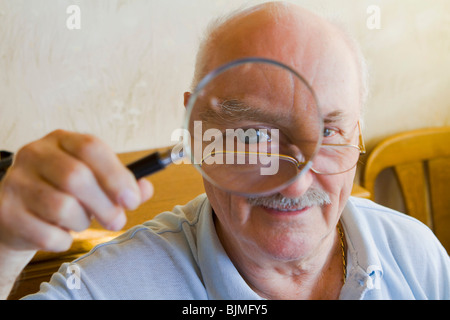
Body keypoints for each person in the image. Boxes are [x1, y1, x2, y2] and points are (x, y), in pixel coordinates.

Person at [0, 2, 448, 300]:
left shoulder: (415, 252)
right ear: (196, 128)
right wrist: (6, 245)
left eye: (328, 131)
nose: (294, 180)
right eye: (253, 135)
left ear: (357, 133)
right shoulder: (114, 286)